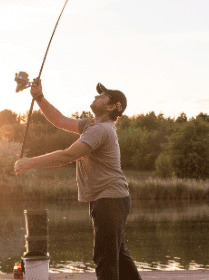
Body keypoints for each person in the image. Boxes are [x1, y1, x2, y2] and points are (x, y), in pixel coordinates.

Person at [14, 80, 142, 280]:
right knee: (118, 256)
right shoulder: (91, 124)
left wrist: (29, 162)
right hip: (111, 200)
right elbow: (59, 120)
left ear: (110, 107)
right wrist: (39, 98)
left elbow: (67, 155)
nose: (95, 97)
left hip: (110, 201)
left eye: (102, 96)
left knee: (105, 259)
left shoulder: (101, 130)